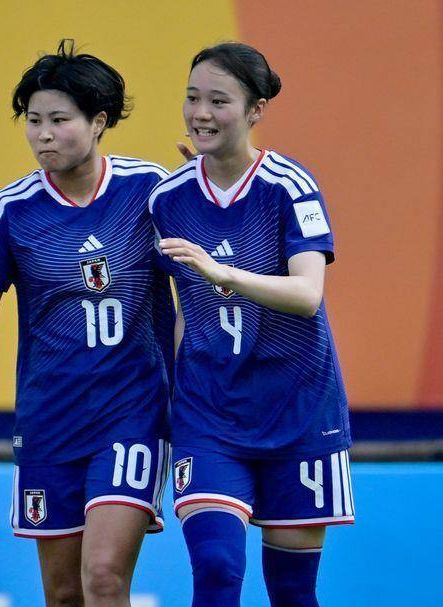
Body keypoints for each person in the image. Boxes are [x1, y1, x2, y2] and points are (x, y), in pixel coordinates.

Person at [0, 41, 173, 607]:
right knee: (63, 594)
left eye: (59, 120)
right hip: (49, 422)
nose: (43, 135)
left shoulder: (150, 190)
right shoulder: (10, 209)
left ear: (99, 121)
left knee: (104, 576)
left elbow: (195, 284)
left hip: (132, 414)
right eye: (33, 121)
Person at [151, 42, 353, 607]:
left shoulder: (289, 186)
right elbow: (182, 310)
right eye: (192, 98)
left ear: (256, 110)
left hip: (299, 411)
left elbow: (307, 295)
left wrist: (224, 273)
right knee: (216, 569)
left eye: (219, 101)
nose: (201, 113)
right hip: (210, 414)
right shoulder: (168, 198)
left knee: (292, 591)